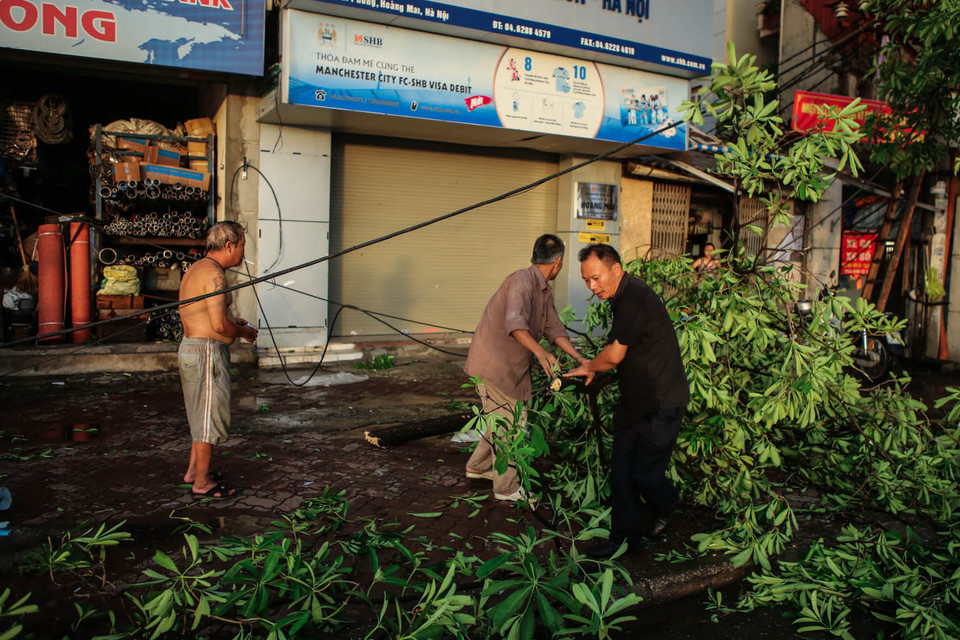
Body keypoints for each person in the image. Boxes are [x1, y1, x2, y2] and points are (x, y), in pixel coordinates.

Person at [565, 244, 689, 558]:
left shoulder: (635, 297)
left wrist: (593, 366)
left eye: (595, 278)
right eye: (586, 281)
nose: (592, 287)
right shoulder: (624, 298)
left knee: (643, 475)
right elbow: (618, 346)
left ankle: (669, 504)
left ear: (616, 269)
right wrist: (595, 369)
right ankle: (623, 541)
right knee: (620, 474)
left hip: (661, 403)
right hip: (634, 400)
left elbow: (615, 355)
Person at [463, 234, 589, 502]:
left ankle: (479, 466)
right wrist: (542, 353)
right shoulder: (521, 281)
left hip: (511, 367)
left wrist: (580, 359)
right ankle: (506, 488)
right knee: (511, 425)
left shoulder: (542, 288)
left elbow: (555, 329)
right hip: (494, 365)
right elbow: (515, 324)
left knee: (502, 419)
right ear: (559, 262)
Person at [178, 221, 258, 498]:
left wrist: (232, 321)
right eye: (243, 246)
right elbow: (220, 328)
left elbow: (206, 314)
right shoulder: (215, 275)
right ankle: (202, 482)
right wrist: (243, 330)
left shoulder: (198, 267)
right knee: (210, 416)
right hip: (206, 352)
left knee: (200, 414)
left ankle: (193, 472)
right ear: (229, 245)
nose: (243, 252)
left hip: (191, 347)